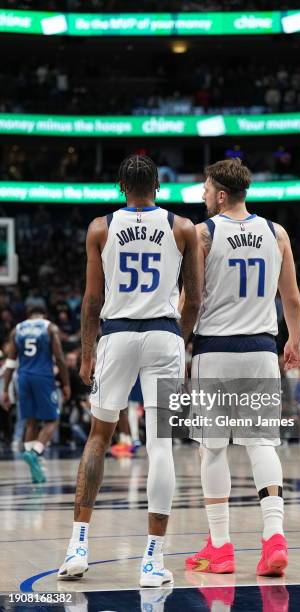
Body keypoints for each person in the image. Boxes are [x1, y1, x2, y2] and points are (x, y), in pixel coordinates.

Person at [58, 154, 200, 586]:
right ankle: (152, 561)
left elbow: (90, 302)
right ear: (158, 186)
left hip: (115, 337)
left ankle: (77, 546)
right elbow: (193, 299)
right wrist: (181, 339)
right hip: (163, 336)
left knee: (99, 437)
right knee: (160, 446)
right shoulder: (182, 228)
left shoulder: (101, 228)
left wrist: (86, 353)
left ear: (121, 188)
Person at [185, 159, 300, 577]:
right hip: (260, 348)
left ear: (220, 194)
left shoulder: (204, 233)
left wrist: (180, 337)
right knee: (262, 445)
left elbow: (193, 299)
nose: (202, 195)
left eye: (204, 189)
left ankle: (221, 547)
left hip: (215, 349)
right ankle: (274, 537)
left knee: (212, 448)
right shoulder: (277, 232)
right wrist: (295, 340)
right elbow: (291, 299)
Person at [2, 305, 70, 482]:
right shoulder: (49, 327)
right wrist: (66, 383)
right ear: (44, 315)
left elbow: (10, 362)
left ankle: (35, 469)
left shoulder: (17, 329)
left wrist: (5, 390)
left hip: (22, 377)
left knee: (30, 422)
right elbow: (60, 358)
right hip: (43, 377)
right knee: (52, 420)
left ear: (28, 315)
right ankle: (35, 452)